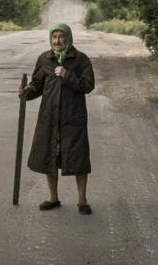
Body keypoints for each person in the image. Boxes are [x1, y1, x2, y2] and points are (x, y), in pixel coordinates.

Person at [18, 23, 95, 214]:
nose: (57, 41)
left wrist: (66, 75)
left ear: (68, 38)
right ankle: (53, 198)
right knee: (49, 155)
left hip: (73, 118)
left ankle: (82, 200)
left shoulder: (80, 59)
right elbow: (37, 84)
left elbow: (88, 85)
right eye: (54, 37)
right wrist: (27, 91)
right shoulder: (45, 59)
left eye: (61, 37)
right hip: (50, 117)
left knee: (78, 157)